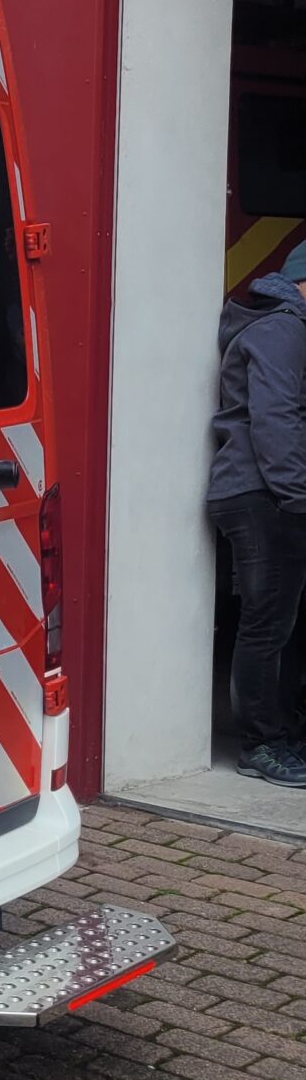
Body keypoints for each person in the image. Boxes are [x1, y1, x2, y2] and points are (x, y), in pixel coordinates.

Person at [209, 242, 306, 786]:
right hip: (262, 494)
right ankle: (260, 744)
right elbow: (276, 419)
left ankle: (282, 732)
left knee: (283, 622)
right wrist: (299, 495)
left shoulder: (283, 327)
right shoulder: (283, 330)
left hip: (270, 492)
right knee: (268, 624)